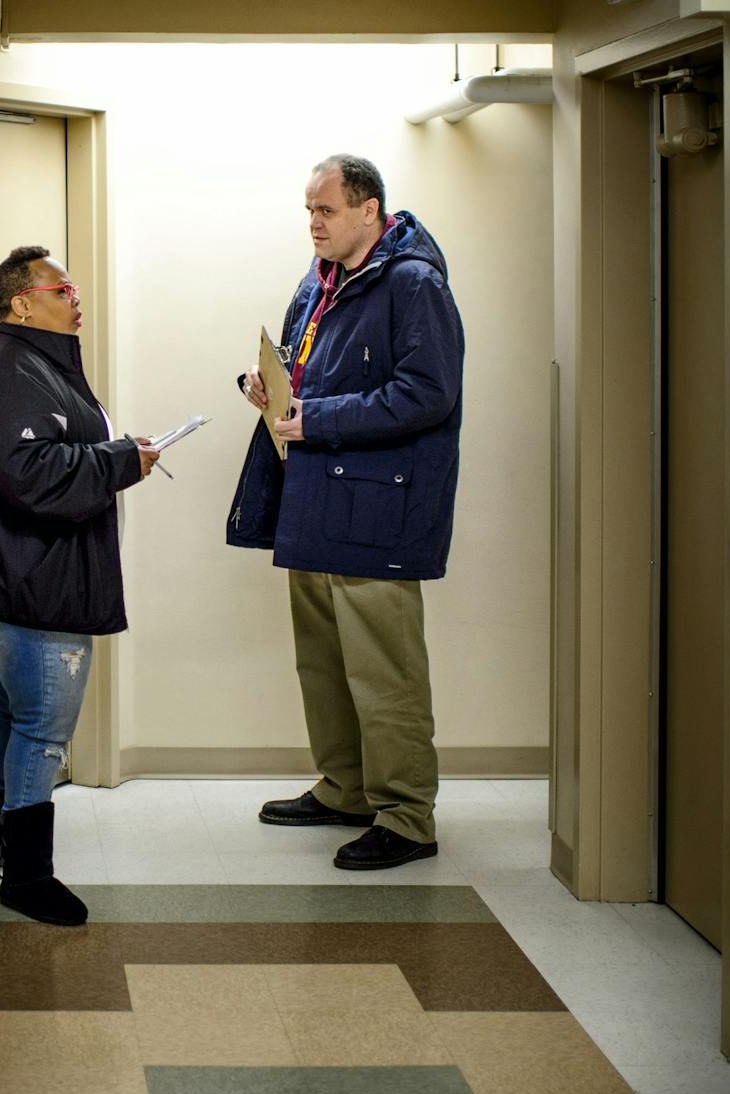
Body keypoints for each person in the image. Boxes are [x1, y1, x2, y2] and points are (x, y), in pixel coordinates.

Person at [227, 154, 464, 871]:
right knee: (324, 665)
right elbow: (308, 368)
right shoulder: (321, 280)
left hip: (376, 513)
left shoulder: (413, 284)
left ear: (370, 210)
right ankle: (346, 788)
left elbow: (428, 393)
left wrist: (315, 415)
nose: (314, 224)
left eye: (325, 211)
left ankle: (407, 817)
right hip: (314, 501)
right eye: (309, 211)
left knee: (384, 674)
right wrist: (269, 388)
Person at [0, 245, 160, 925]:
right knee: (43, 727)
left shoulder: (37, 365)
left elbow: (53, 453)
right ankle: (27, 876)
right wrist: (122, 460)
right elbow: (30, 472)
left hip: (20, 575)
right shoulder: (12, 370)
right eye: (62, 289)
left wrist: (120, 455)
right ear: (21, 303)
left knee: (10, 704)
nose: (75, 296)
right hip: (30, 583)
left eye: (75, 287)